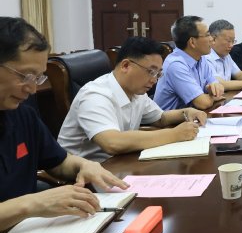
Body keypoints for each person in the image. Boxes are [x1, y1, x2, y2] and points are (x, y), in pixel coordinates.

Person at [0, 17, 128, 232]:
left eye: (38, 78)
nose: (32, 89)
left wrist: (84, 165)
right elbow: (31, 203)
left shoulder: (23, 115)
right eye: (26, 76)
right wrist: (31, 204)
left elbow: (59, 162)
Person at [58, 37, 207, 162]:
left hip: (120, 163)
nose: (154, 80)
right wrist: (175, 134)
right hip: (82, 175)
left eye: (158, 74)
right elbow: (112, 142)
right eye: (151, 71)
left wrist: (186, 112)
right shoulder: (95, 95)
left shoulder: (137, 91)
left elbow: (160, 118)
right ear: (125, 65)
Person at [154, 16, 224, 110]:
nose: (212, 39)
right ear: (192, 42)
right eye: (207, 35)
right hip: (172, 119)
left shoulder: (201, 58)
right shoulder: (175, 65)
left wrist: (215, 88)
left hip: (193, 115)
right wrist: (214, 97)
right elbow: (202, 103)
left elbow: (217, 87)